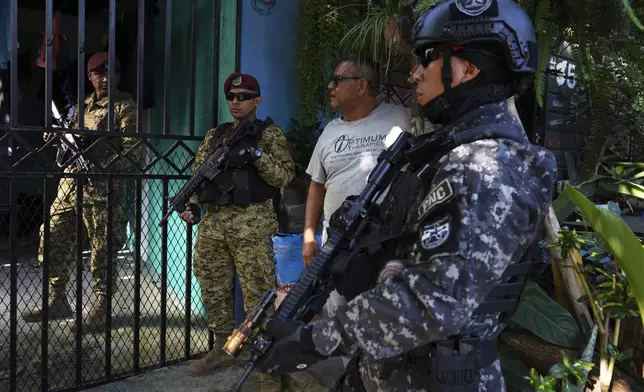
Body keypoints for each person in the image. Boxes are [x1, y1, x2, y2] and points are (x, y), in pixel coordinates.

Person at [252, 1, 558, 391]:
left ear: (468, 69)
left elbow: (435, 299)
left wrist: (315, 340)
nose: (414, 74)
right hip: (398, 370)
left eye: (427, 59)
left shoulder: (485, 166)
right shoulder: (448, 152)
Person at [179, 72, 295, 390]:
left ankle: (267, 368)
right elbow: (198, 175)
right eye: (231, 96)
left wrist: (255, 155)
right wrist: (192, 206)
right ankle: (222, 349)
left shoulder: (268, 134)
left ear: (257, 100)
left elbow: (284, 176)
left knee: (258, 294)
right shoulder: (215, 135)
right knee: (212, 287)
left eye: (243, 97)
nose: (236, 102)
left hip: (253, 223)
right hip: (215, 223)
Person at [302, 55, 411, 366]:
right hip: (339, 249)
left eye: (338, 79)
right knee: (342, 321)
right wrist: (309, 235)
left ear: (361, 85)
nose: (330, 85)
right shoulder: (329, 132)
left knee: (385, 326)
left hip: (386, 247)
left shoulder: (401, 118)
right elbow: (316, 185)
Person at [22, 52, 137, 333]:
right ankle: (57, 299)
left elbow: (134, 155)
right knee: (51, 236)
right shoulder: (78, 107)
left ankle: (102, 307)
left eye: (112, 73)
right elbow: (56, 144)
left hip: (103, 191)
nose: (106, 79)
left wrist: (98, 153)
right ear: (90, 76)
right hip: (70, 186)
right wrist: (56, 134)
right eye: (99, 74)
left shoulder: (124, 107)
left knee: (102, 252)